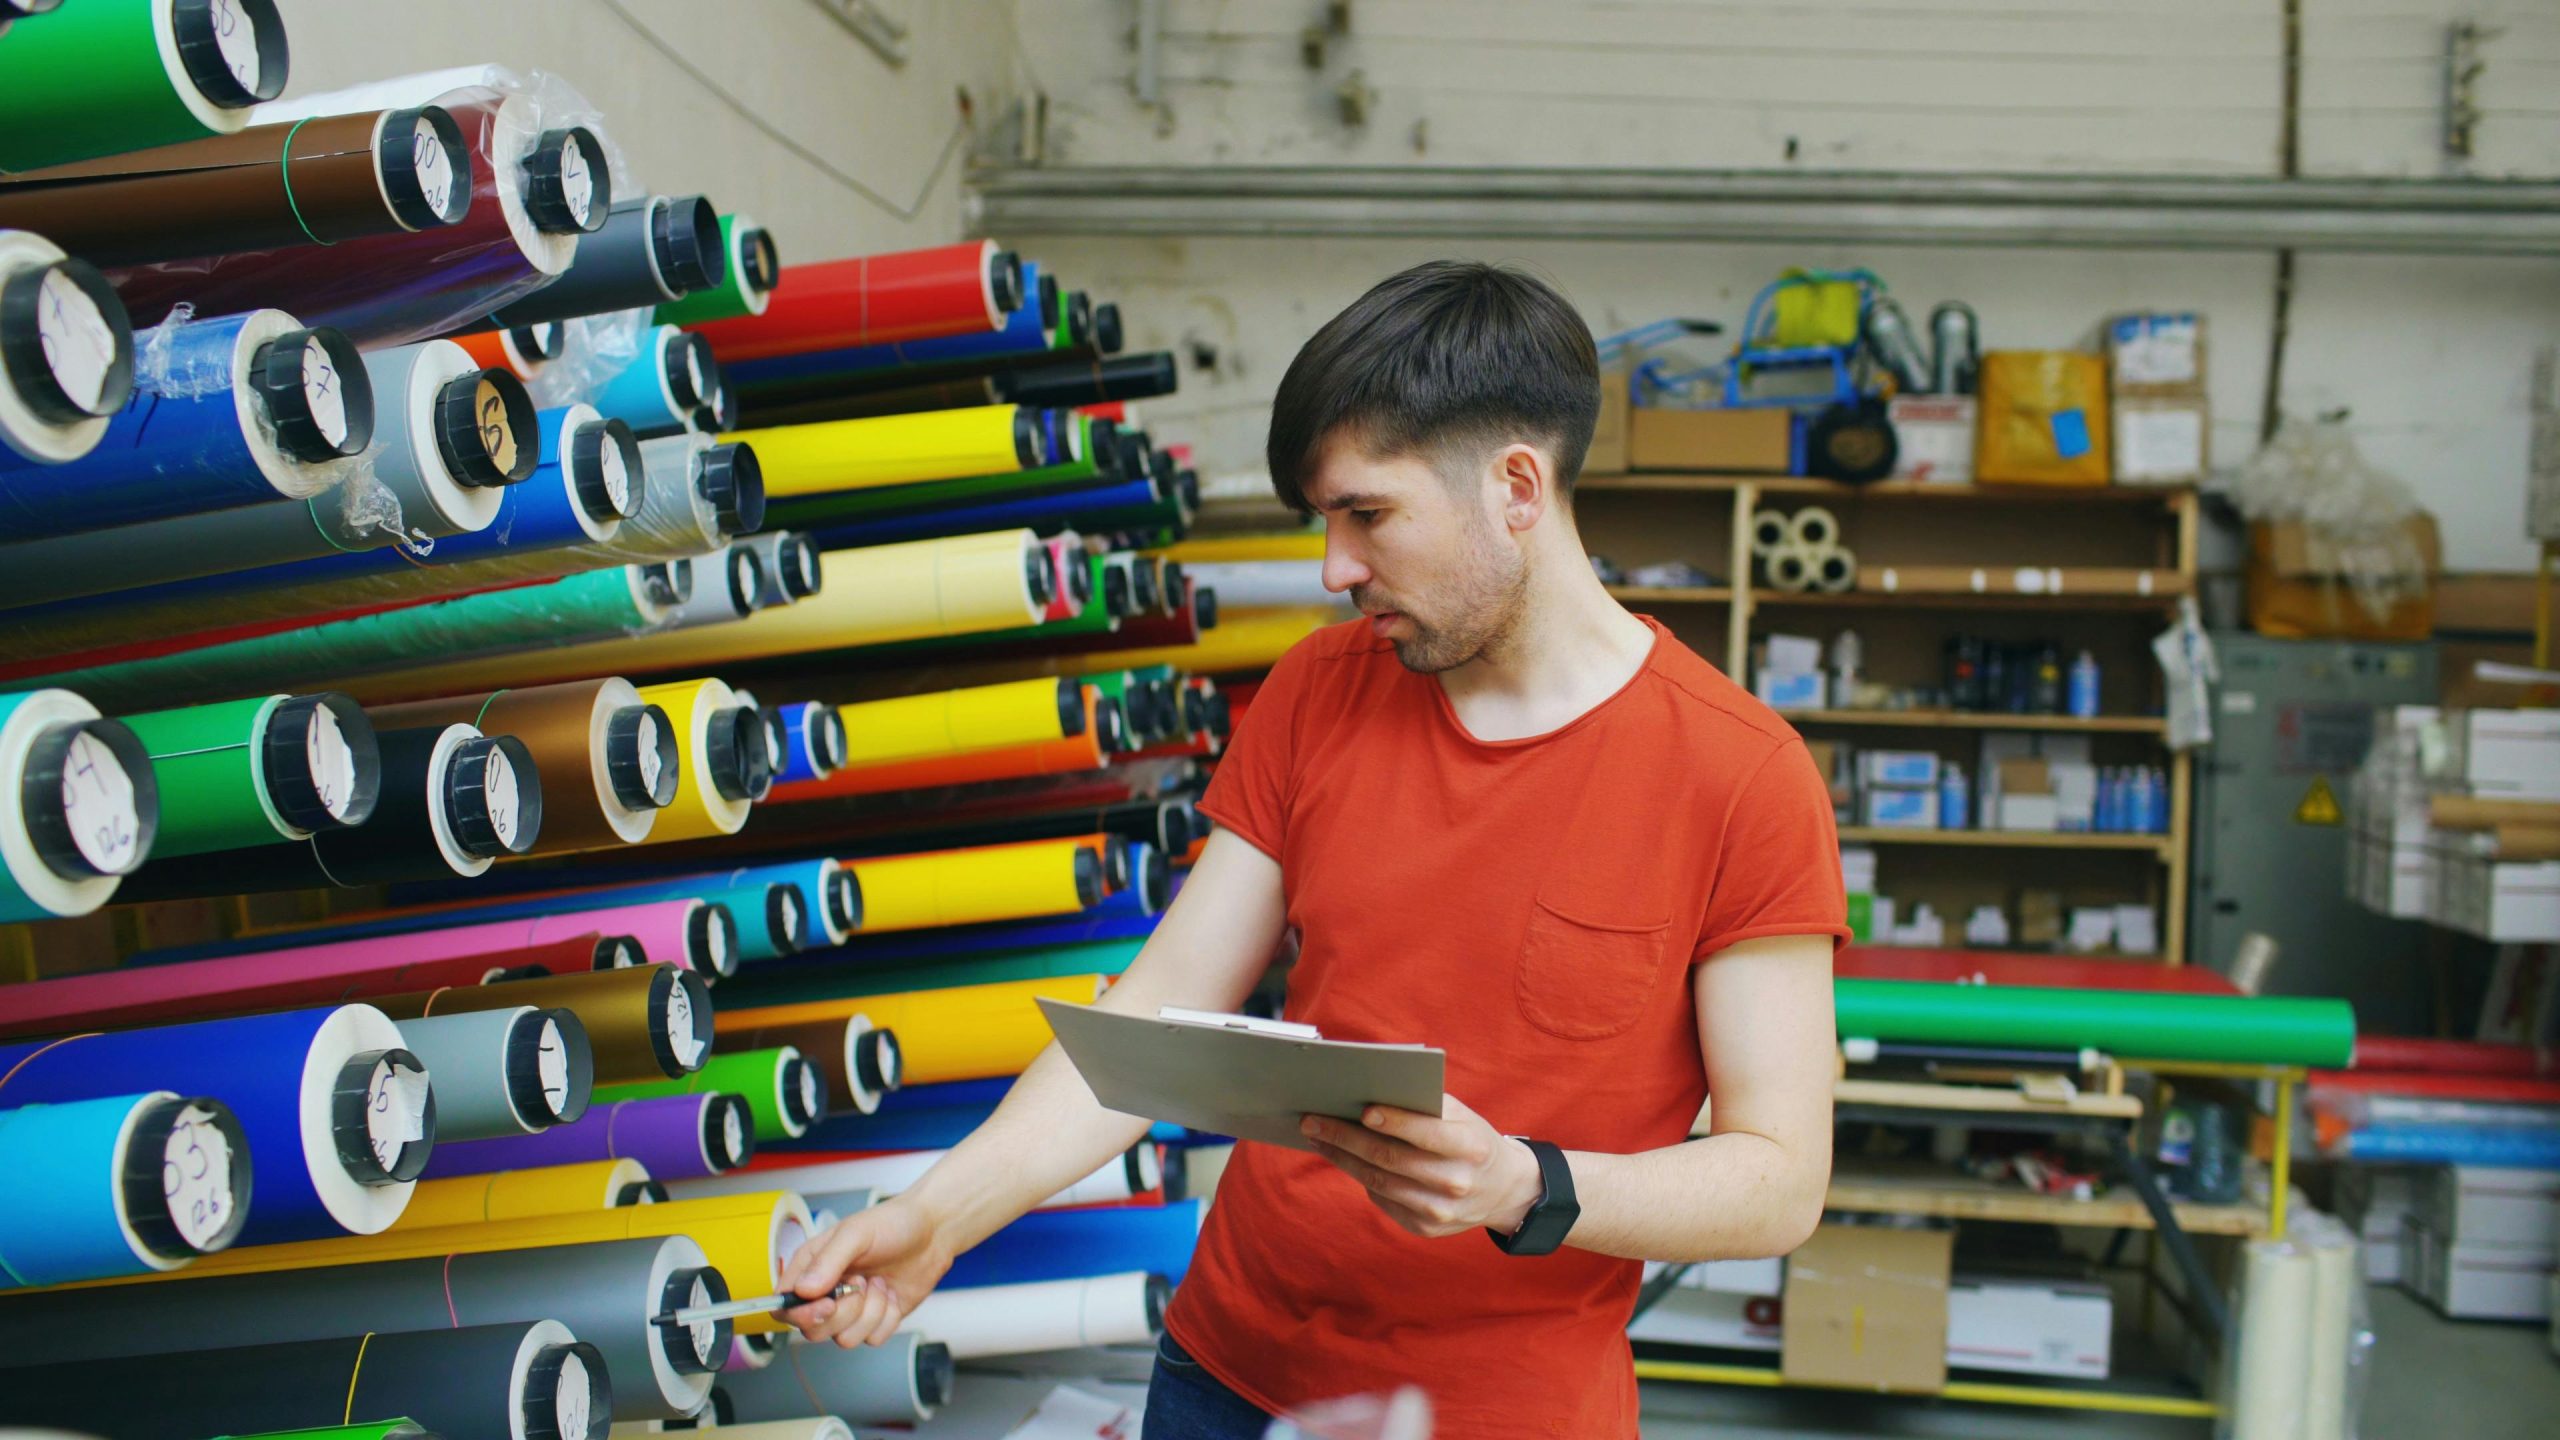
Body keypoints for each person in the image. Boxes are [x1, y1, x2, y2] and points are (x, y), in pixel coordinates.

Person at [777, 260, 1845, 1437]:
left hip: (1499, 1413)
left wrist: (1529, 1186)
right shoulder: (1320, 690)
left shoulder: (1740, 777)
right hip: (1228, 1369)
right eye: (1324, 523)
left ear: (1517, 488)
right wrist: (939, 1216)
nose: (1333, 569)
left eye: (1366, 515)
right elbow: (1154, 1017)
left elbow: (1779, 1178)